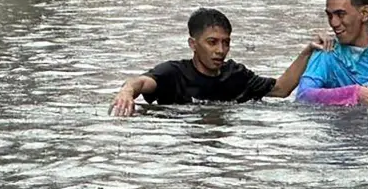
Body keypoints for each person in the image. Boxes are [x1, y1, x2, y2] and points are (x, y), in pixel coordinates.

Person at [110, 7, 325, 116]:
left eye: (226, 43)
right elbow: (140, 82)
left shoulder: (237, 75)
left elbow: (281, 89)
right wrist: (126, 92)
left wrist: (307, 51)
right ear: (193, 44)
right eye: (212, 42)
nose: (220, 51)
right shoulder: (173, 73)